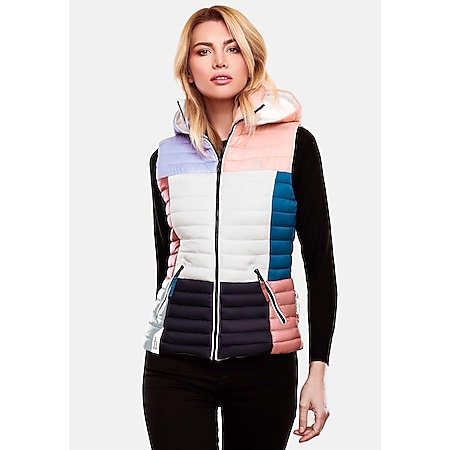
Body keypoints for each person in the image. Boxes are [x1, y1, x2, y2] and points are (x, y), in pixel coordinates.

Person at [142, 5, 337, 449]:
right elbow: (165, 263)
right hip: (175, 363)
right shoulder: (165, 158)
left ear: (251, 60)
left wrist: (317, 370)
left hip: (264, 362)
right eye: (203, 51)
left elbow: (320, 263)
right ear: (188, 69)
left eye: (232, 49)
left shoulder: (295, 146)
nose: (219, 61)